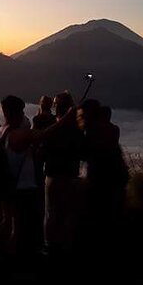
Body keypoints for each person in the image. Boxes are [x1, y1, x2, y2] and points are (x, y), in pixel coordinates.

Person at [0, 96, 45, 264]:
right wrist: (67, 119)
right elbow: (43, 135)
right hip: (19, 187)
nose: (22, 114)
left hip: (8, 185)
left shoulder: (2, 130)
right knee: (17, 225)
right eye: (20, 111)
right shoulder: (14, 135)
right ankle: (11, 260)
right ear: (13, 112)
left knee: (8, 221)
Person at [76, 100, 129, 241]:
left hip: (102, 186)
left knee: (99, 223)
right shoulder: (110, 130)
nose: (79, 120)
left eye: (81, 116)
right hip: (115, 183)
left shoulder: (94, 133)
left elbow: (83, 153)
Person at [43, 91, 84, 254]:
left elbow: (43, 148)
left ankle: (50, 247)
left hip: (53, 176)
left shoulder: (50, 126)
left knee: (51, 213)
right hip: (71, 176)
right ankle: (67, 247)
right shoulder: (76, 129)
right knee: (68, 213)